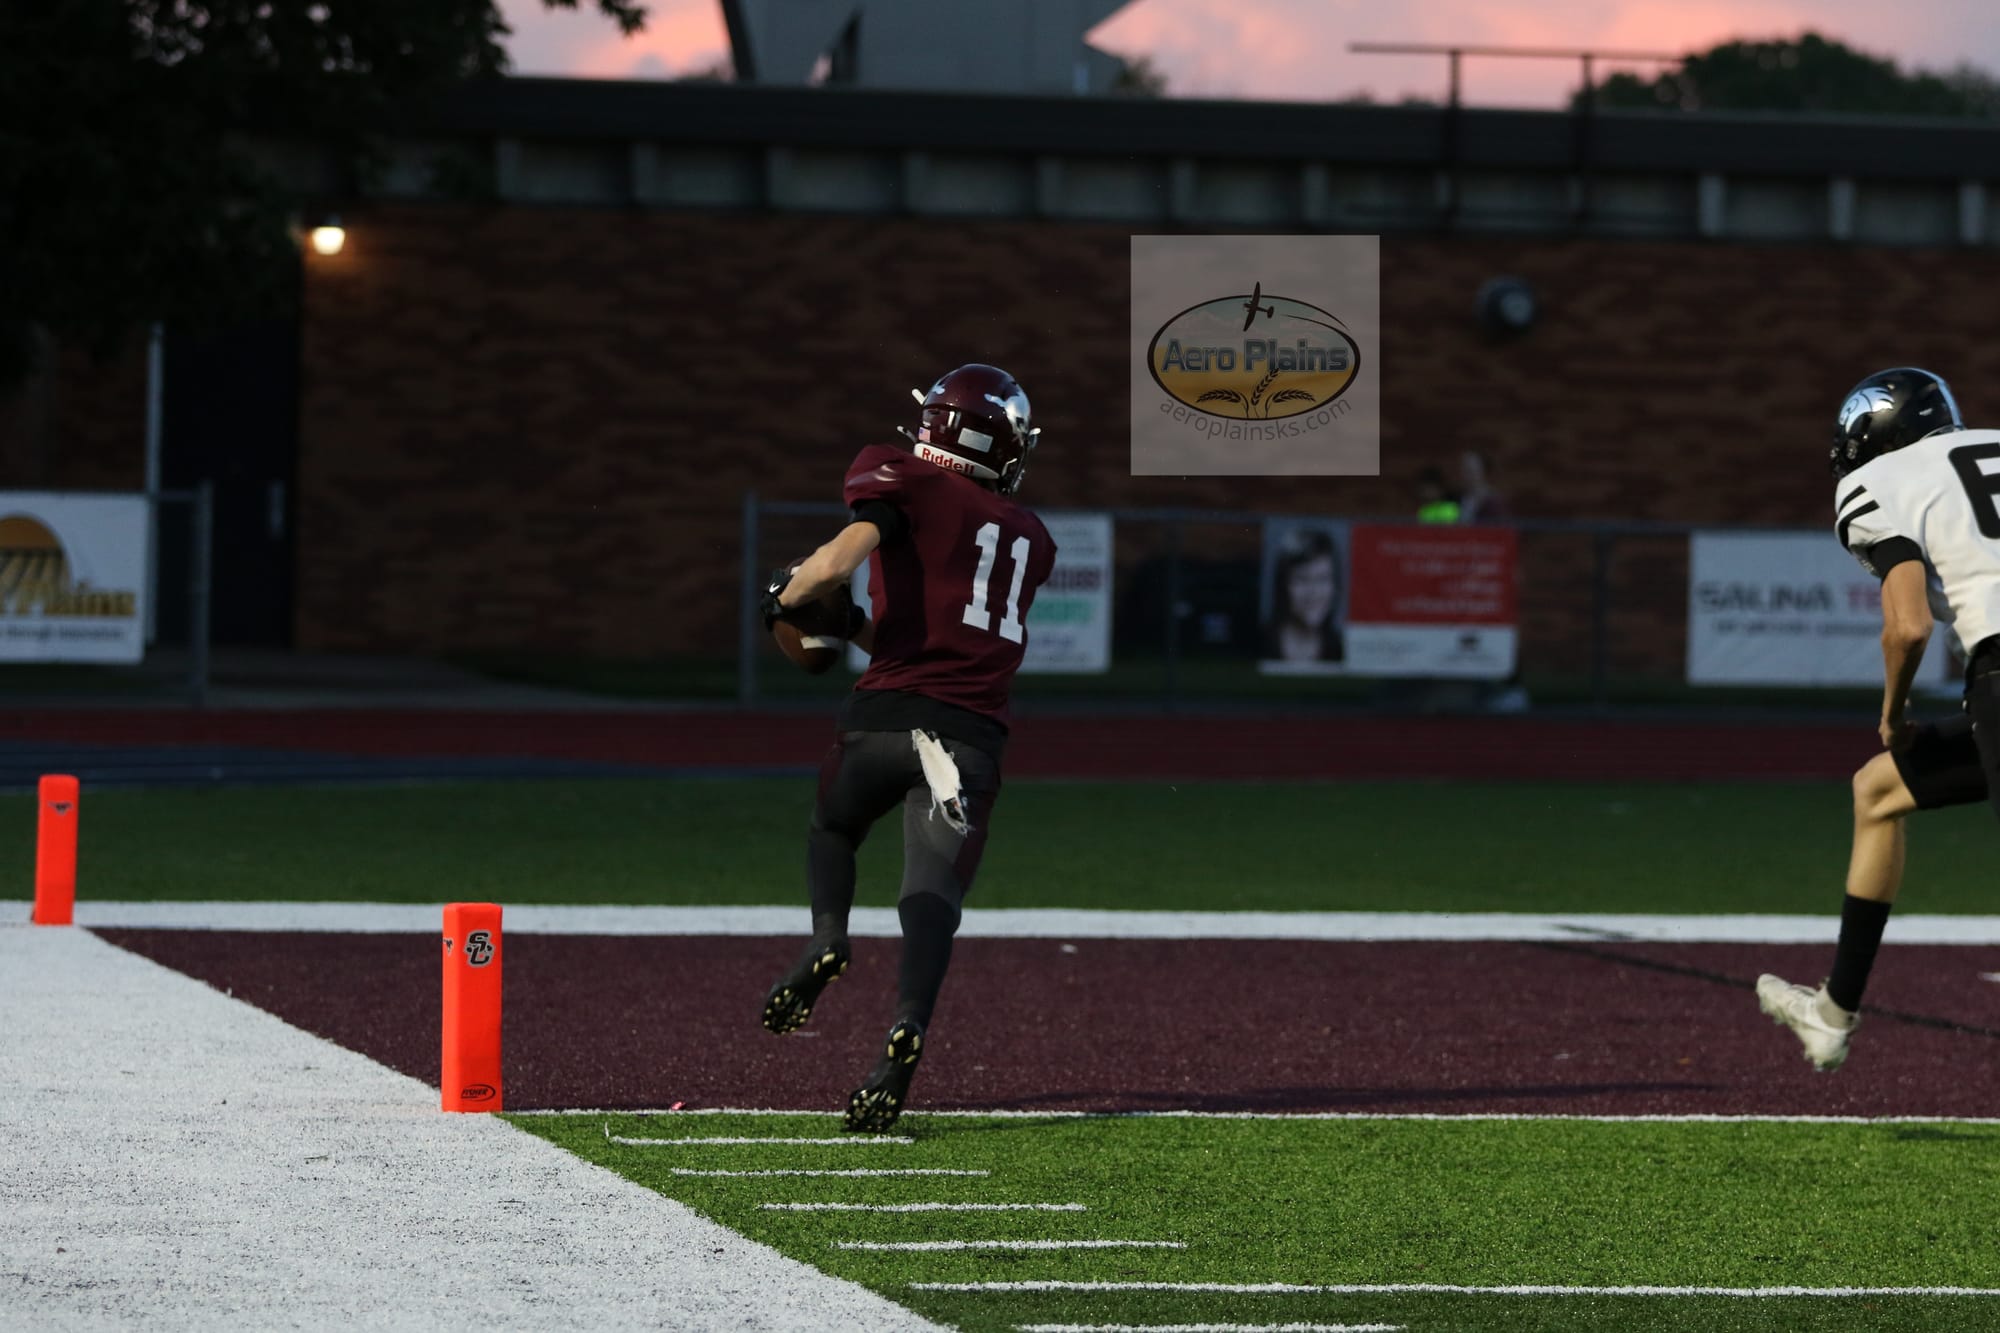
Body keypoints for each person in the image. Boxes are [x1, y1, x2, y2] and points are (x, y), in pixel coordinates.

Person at [758, 363, 1056, 1131]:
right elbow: (943, 630)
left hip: (883, 720)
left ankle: (828, 936)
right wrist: (851, 624)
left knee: (833, 827)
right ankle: (906, 1031)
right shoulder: (1033, 538)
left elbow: (834, 563)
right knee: (932, 895)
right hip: (969, 742)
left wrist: (785, 599)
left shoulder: (905, 480)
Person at [1757, 367, 2000, 1071]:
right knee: (1879, 789)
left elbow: (1908, 625)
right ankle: (1832, 1014)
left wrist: (1893, 717)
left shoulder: (1880, 480)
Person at [1262, 527, 1345, 663]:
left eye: (1322, 579)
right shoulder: (1260, 643)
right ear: (1283, 584)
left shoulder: (1341, 650)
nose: (1313, 592)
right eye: (1302, 579)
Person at [1457, 449, 1510, 523]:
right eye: (1464, 470)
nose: (1466, 475)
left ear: (1483, 471)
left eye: (1470, 470)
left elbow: (1501, 526)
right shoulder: (1457, 498)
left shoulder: (1494, 502)